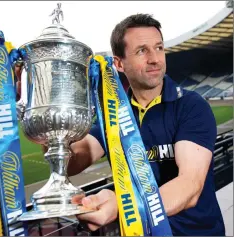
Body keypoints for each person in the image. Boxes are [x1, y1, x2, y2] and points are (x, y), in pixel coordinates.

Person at [66, 13, 225, 236]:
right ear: (119, 63)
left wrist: (123, 209)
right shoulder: (114, 114)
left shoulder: (190, 106)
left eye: (159, 48)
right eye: (142, 50)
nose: (155, 59)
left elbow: (190, 185)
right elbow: (72, 163)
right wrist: (51, 132)